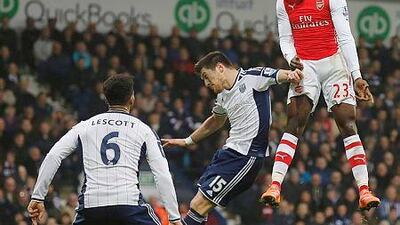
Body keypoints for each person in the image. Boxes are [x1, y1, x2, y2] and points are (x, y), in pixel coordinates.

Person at [261, 0, 380, 211]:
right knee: (295, 120)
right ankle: (275, 185)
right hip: (305, 65)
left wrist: (356, 76)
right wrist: (291, 58)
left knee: (346, 121)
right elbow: (286, 39)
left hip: (334, 62)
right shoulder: (283, 3)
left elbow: (344, 37)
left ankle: (364, 190)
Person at [162, 51, 303, 225]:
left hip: (246, 157)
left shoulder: (252, 77)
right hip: (227, 154)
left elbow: (278, 75)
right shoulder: (222, 96)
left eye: (207, 76)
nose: (206, 84)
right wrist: (187, 141)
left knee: (199, 205)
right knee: (197, 205)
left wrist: (291, 74)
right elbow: (215, 121)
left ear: (220, 68)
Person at [27, 74, 182, 225]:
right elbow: (162, 173)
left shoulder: (84, 126)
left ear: (106, 99)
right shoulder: (144, 130)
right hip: (128, 204)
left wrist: (38, 196)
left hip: (91, 205)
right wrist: (174, 216)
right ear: (132, 99)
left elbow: (53, 155)